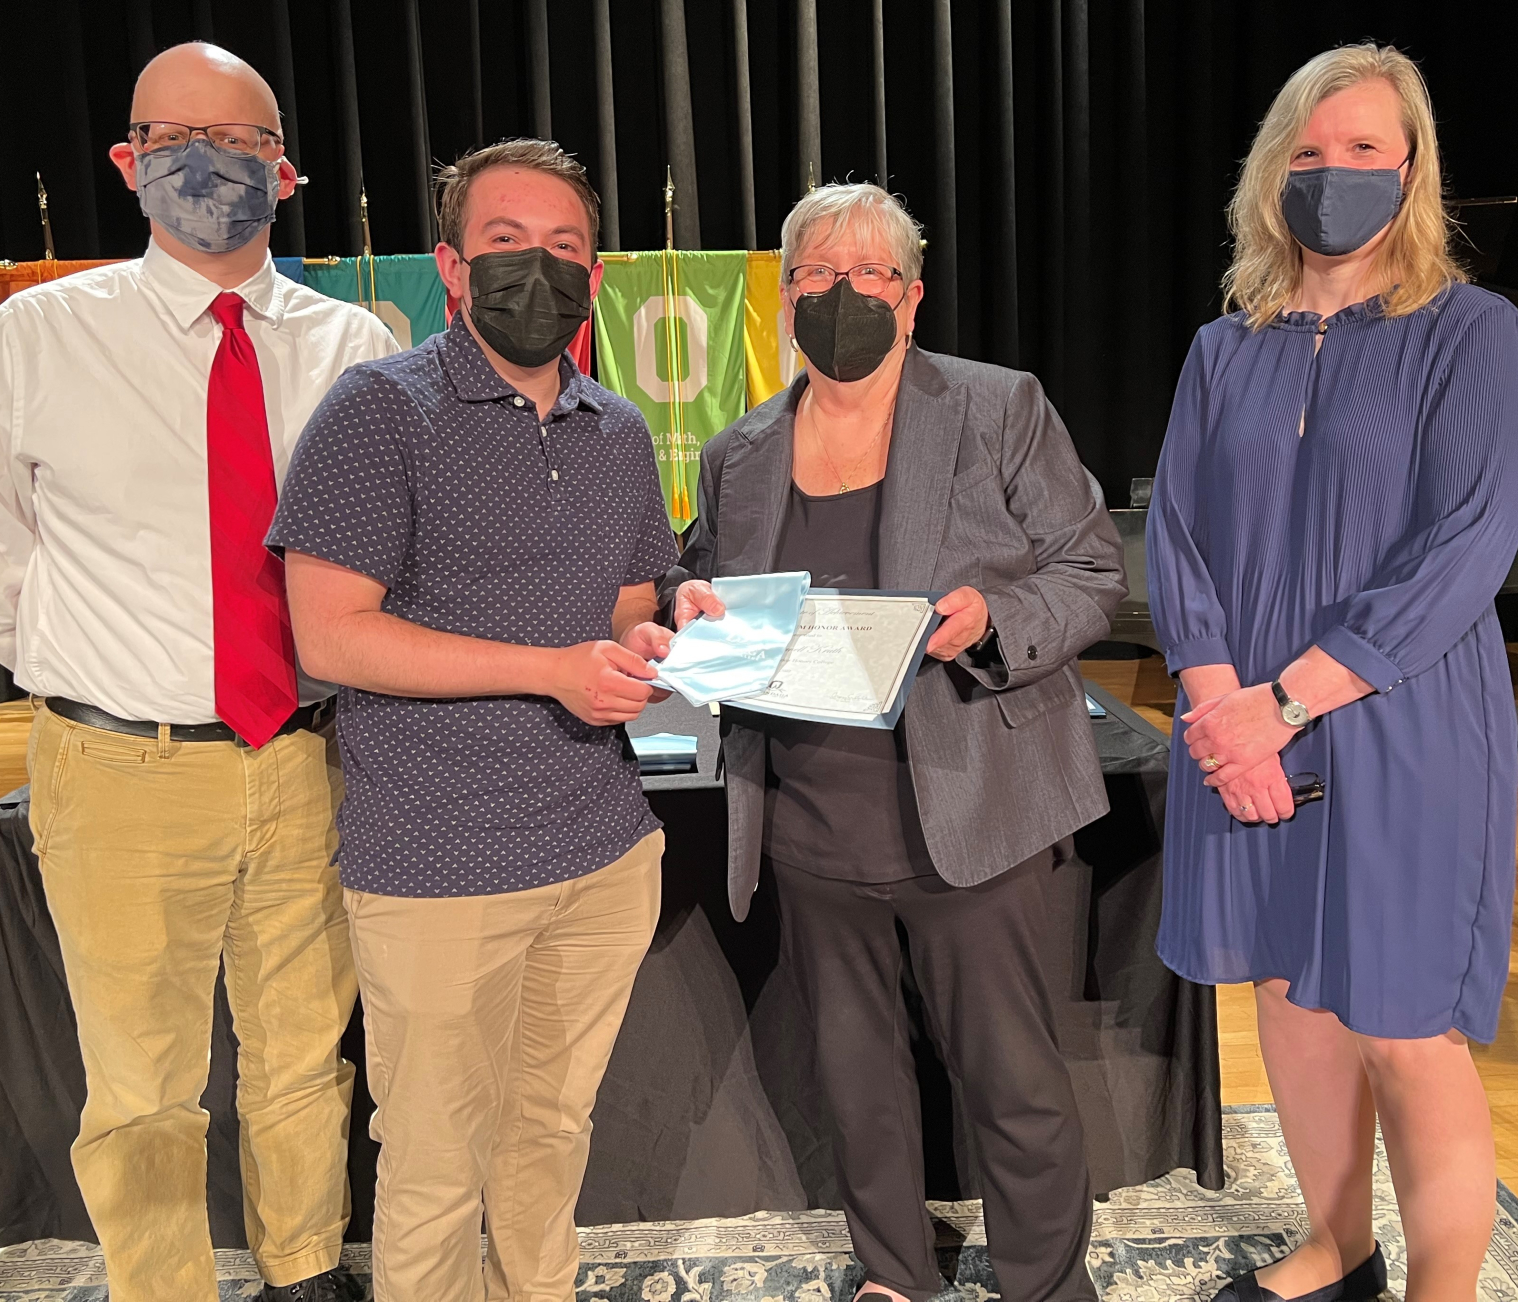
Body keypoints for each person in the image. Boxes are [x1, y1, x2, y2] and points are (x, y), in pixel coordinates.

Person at [658, 183, 1126, 1302]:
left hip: (977, 815)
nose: (843, 294)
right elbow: (694, 571)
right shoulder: (741, 452)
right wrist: (686, 604)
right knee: (858, 1084)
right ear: (784, 296)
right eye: (817, 274)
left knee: (1011, 1081)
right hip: (816, 831)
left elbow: (1090, 570)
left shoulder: (998, 406)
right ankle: (893, 1274)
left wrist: (993, 619)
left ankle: (1045, 1285)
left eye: (871, 274)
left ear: (912, 300)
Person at [0, 42, 399, 1302]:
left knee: (302, 1061)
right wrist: (85, 670)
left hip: (306, 760)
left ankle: (300, 1276)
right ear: (127, 161)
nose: (205, 163)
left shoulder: (354, 347)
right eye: (174, 139)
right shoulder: (38, 336)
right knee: (140, 1089)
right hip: (120, 768)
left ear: (285, 171)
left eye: (236, 142)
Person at [271, 139, 677, 1301]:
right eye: (505, 244)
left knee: (549, 1143)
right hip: (439, 864)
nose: (535, 270)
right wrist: (550, 668)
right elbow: (331, 636)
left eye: (564, 249)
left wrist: (646, 635)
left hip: (601, 851)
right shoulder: (377, 412)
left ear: (594, 275)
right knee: (437, 1168)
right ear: (449, 268)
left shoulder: (619, 430)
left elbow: (628, 601)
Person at [1148, 43, 1518, 1302]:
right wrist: (1217, 708)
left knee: (1402, 1021)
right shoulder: (1223, 349)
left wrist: (1288, 702)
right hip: (1235, 717)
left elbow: (1469, 543)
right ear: (1272, 176)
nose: (1334, 173)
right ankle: (1338, 1246)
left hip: (1400, 717)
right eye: (1308, 153)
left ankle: (1444, 1289)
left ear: (1411, 171)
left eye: (1364, 149)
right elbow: (1177, 539)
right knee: (1290, 996)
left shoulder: (1472, 333)